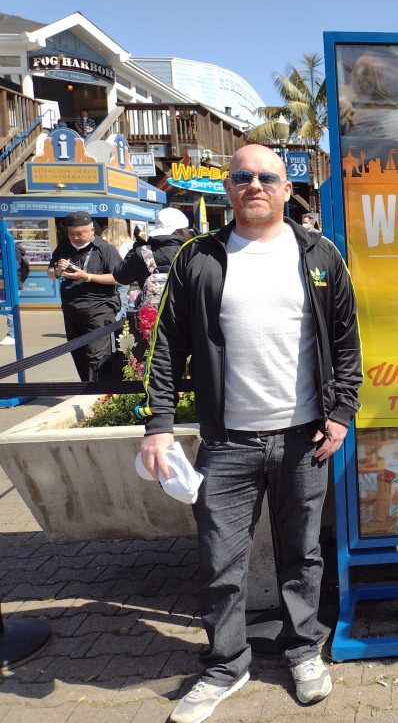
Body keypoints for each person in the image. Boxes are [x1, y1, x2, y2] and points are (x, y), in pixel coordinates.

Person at [137, 144, 362, 723]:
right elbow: (166, 347)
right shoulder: (199, 258)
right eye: (242, 176)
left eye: (267, 177)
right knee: (220, 560)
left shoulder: (319, 254)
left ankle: (304, 649)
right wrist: (158, 425)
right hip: (227, 441)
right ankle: (225, 665)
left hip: (303, 439)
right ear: (227, 189)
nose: (254, 185)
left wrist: (340, 414)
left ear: (289, 190)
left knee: (303, 553)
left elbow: (346, 341)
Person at [47, 211, 123, 381]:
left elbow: (118, 278)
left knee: (96, 356)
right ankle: (88, 391)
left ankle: (98, 395)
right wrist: (58, 270)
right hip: (71, 310)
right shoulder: (64, 248)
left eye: (80, 233)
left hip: (99, 310)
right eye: (71, 233)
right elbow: (51, 273)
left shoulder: (105, 249)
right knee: (79, 354)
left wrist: (87, 276)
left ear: (91, 231)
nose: (75, 237)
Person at [113, 207, 191, 324]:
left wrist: (137, 246)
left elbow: (120, 276)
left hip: (152, 321)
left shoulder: (142, 251)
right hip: (186, 317)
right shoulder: (191, 250)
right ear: (183, 229)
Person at [103, 218, 133, 320]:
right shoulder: (129, 242)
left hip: (106, 275)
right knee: (122, 300)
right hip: (123, 275)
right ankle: (119, 324)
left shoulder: (104, 240)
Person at [2, 241, 30, 345]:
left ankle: (12, 335)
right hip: (9, 284)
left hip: (12, 284)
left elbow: (13, 268)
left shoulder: (11, 249)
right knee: (8, 309)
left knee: (10, 310)